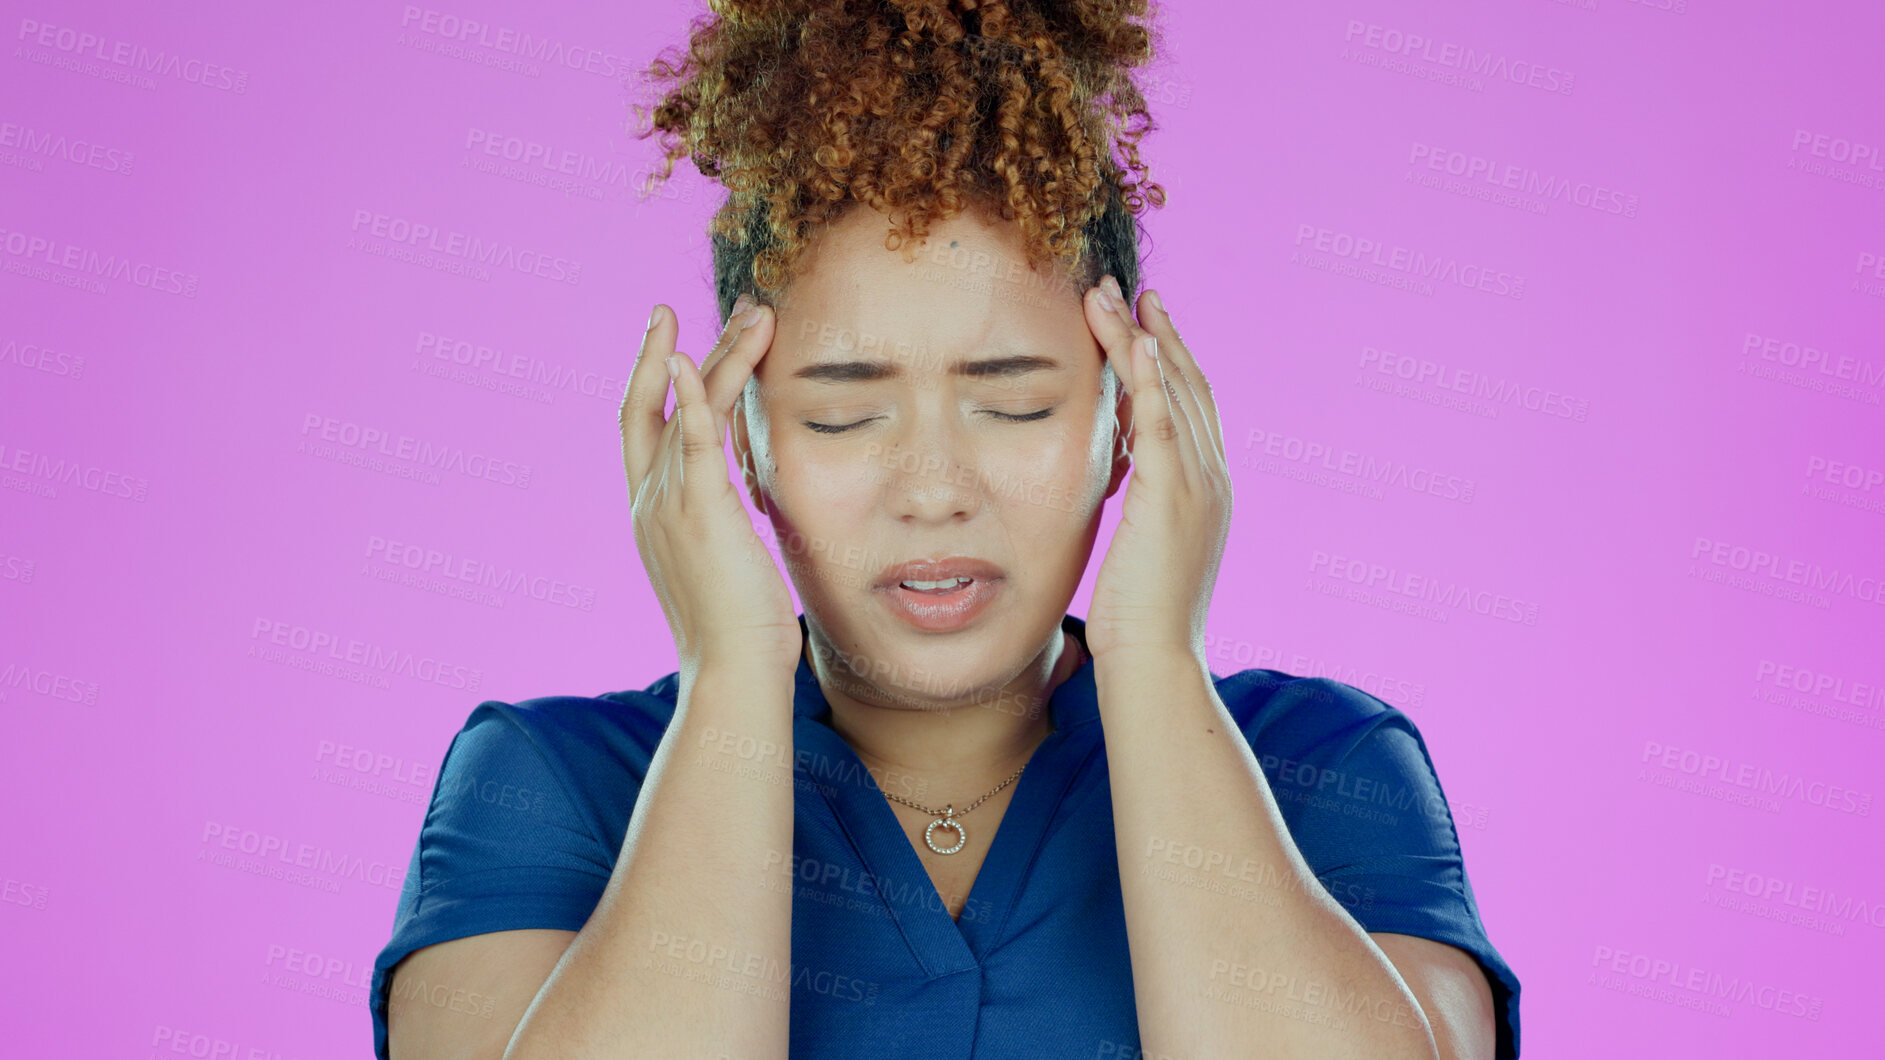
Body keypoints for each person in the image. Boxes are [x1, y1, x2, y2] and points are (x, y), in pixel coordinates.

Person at [370, 2, 1521, 1057]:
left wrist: (1157, 659)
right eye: (841, 414)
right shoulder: (551, 785)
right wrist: (728, 673)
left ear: (1133, 419)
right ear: (740, 445)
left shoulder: (1323, 766)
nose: (931, 489)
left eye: (1013, 403)